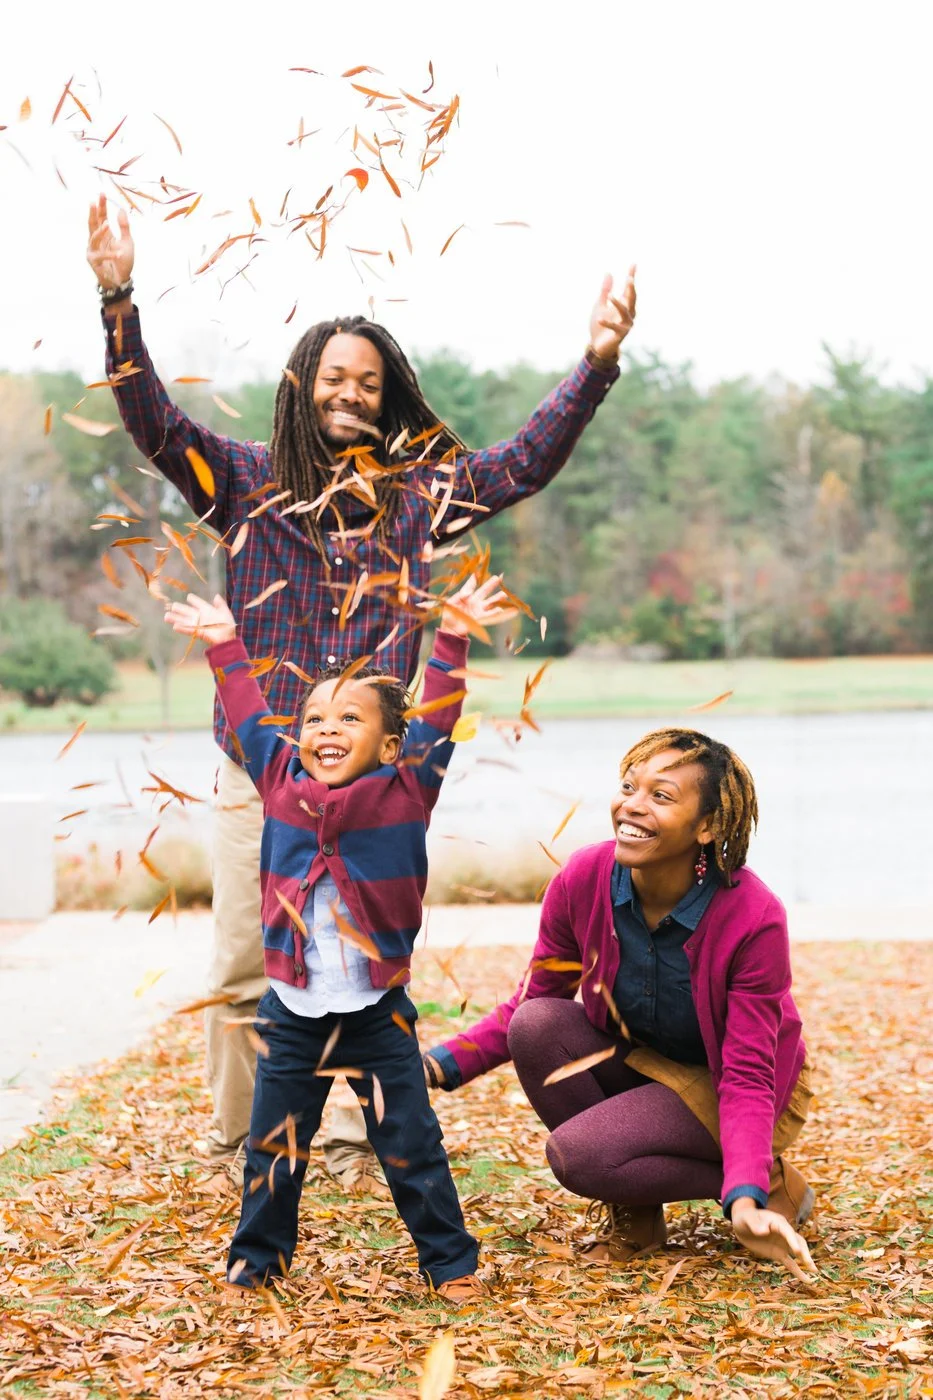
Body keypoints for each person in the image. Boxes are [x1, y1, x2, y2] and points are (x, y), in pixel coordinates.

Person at [86, 195, 637, 1191]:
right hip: (263, 772)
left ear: (387, 400)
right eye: (335, 377)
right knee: (245, 959)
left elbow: (522, 463)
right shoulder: (242, 483)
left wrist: (595, 364)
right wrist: (117, 297)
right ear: (304, 387)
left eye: (369, 383)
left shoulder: (419, 499)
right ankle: (241, 1140)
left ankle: (346, 1140)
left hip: (378, 787)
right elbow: (152, 421)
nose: (351, 393)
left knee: (364, 963)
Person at [164, 573, 515, 1299]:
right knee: (274, 1150)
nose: (326, 729)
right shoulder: (278, 780)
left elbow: (439, 715)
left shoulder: (407, 789)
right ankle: (255, 1264)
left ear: (389, 745)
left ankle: (450, 1264)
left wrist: (451, 636)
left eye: (349, 718)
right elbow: (249, 715)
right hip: (291, 1013)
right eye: (316, 718)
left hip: (376, 1015)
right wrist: (224, 644)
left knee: (410, 1143)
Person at [423, 727, 818, 1278]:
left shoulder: (753, 916)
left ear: (707, 826)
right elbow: (532, 1002)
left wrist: (744, 1197)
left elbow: (749, 1072)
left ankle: (765, 1183)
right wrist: (434, 1065)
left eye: (661, 796)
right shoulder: (583, 879)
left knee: (581, 1157)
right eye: (629, 786)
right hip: (645, 1059)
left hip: (736, 1081)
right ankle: (639, 1216)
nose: (632, 805)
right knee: (537, 1026)